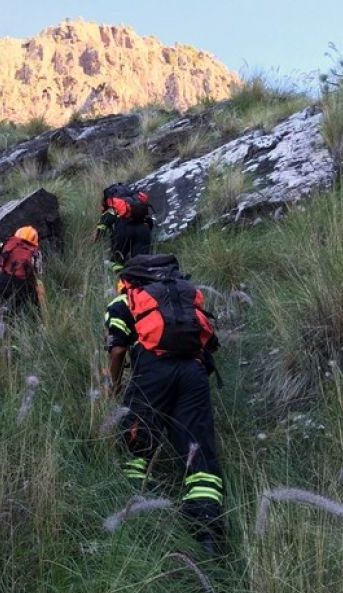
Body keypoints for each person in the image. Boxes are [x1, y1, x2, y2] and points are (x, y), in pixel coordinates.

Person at [104, 254, 224, 557]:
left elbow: (118, 349)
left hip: (152, 371)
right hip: (194, 372)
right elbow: (209, 343)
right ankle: (208, 534)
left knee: (136, 442)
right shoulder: (181, 295)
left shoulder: (126, 300)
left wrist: (114, 387)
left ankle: (132, 514)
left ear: (127, 281)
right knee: (199, 451)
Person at [0, 226, 43, 314]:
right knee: (33, 290)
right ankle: (38, 320)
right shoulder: (35, 252)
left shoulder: (5, 244)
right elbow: (37, 276)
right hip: (19, 285)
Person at [94, 187, 153, 272]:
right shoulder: (138, 203)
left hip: (125, 229)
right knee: (141, 264)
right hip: (144, 229)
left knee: (117, 263)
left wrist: (94, 242)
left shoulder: (112, 208)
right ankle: (141, 275)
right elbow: (150, 222)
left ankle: (118, 273)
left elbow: (99, 231)